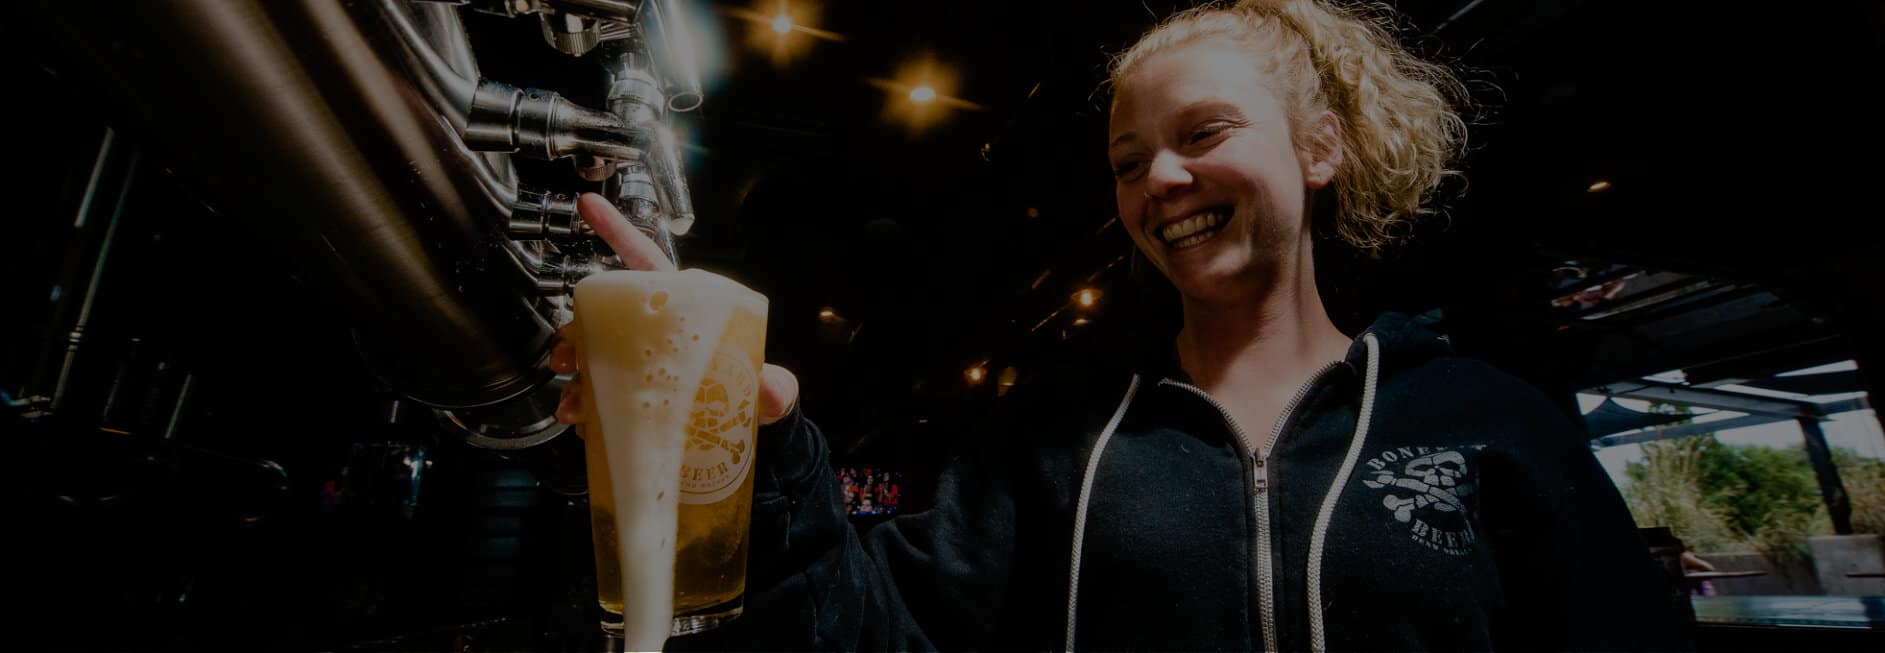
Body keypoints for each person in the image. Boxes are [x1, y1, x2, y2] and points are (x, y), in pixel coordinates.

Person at [552, 0, 1692, 650]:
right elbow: (873, 635)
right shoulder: (1048, 442)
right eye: (1130, 159)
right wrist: (757, 440)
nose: (1164, 177)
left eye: (1205, 133)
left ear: (1319, 146)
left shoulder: (1490, 420)